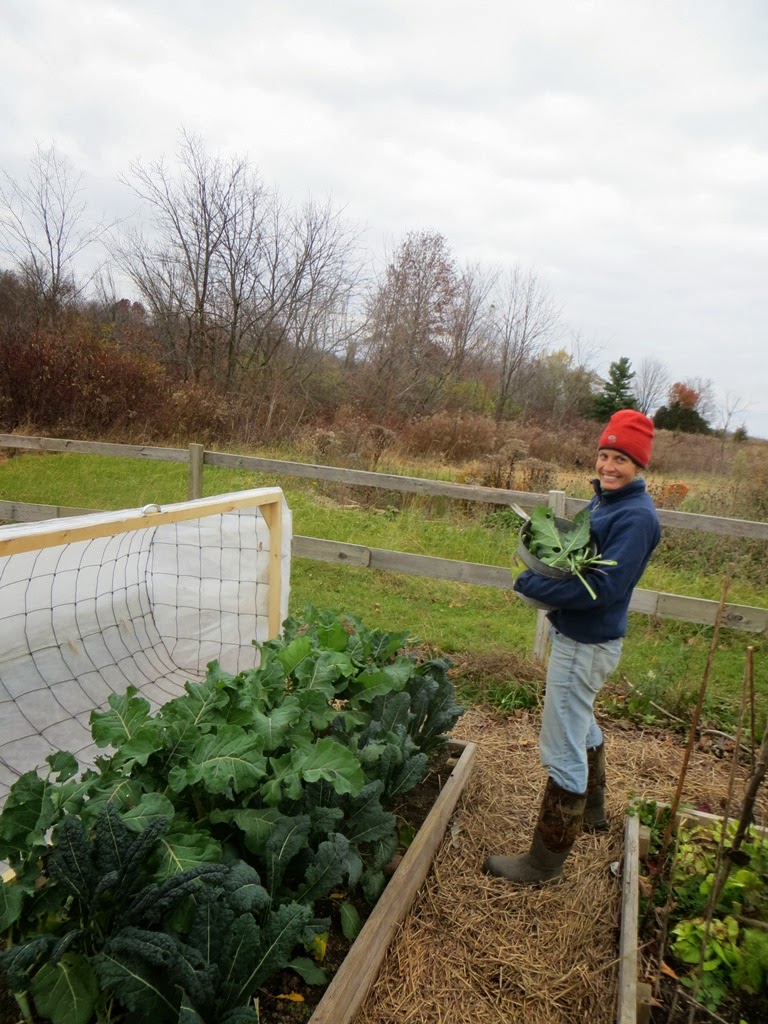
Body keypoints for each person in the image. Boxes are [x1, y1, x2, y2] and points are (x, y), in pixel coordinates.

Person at [484, 409, 661, 885]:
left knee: (562, 747)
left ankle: (542, 865)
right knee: (581, 724)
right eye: (605, 455)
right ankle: (596, 812)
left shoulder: (636, 516)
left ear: (639, 465)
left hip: (586, 641)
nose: (609, 465)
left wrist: (533, 588)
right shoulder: (606, 502)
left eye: (621, 459)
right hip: (584, 638)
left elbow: (602, 587)